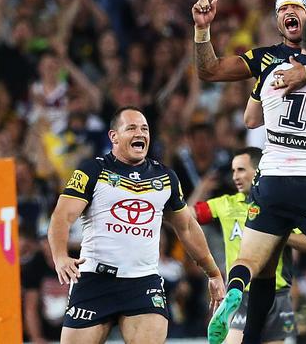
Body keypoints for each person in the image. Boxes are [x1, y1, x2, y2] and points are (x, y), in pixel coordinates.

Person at [192, 0, 306, 343]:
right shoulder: (266, 58)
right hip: (281, 167)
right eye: (282, 8)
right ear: (277, 20)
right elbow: (210, 71)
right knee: (266, 265)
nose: (289, 13)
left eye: (297, 7)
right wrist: (203, 30)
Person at [47, 106, 225, 344]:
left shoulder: (165, 177)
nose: (140, 133)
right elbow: (62, 216)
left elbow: (187, 228)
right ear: (114, 136)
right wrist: (60, 256)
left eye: (144, 129)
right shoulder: (92, 171)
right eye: (131, 128)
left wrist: (213, 273)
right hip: (93, 281)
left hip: (143, 282)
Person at [193, 147, 306, 344]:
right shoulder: (225, 204)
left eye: (241, 170)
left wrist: (274, 233)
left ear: (259, 171)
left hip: (279, 294)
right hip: (242, 294)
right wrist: (198, 189)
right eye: (233, 171)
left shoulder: (280, 209)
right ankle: (228, 307)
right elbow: (185, 217)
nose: (235, 176)